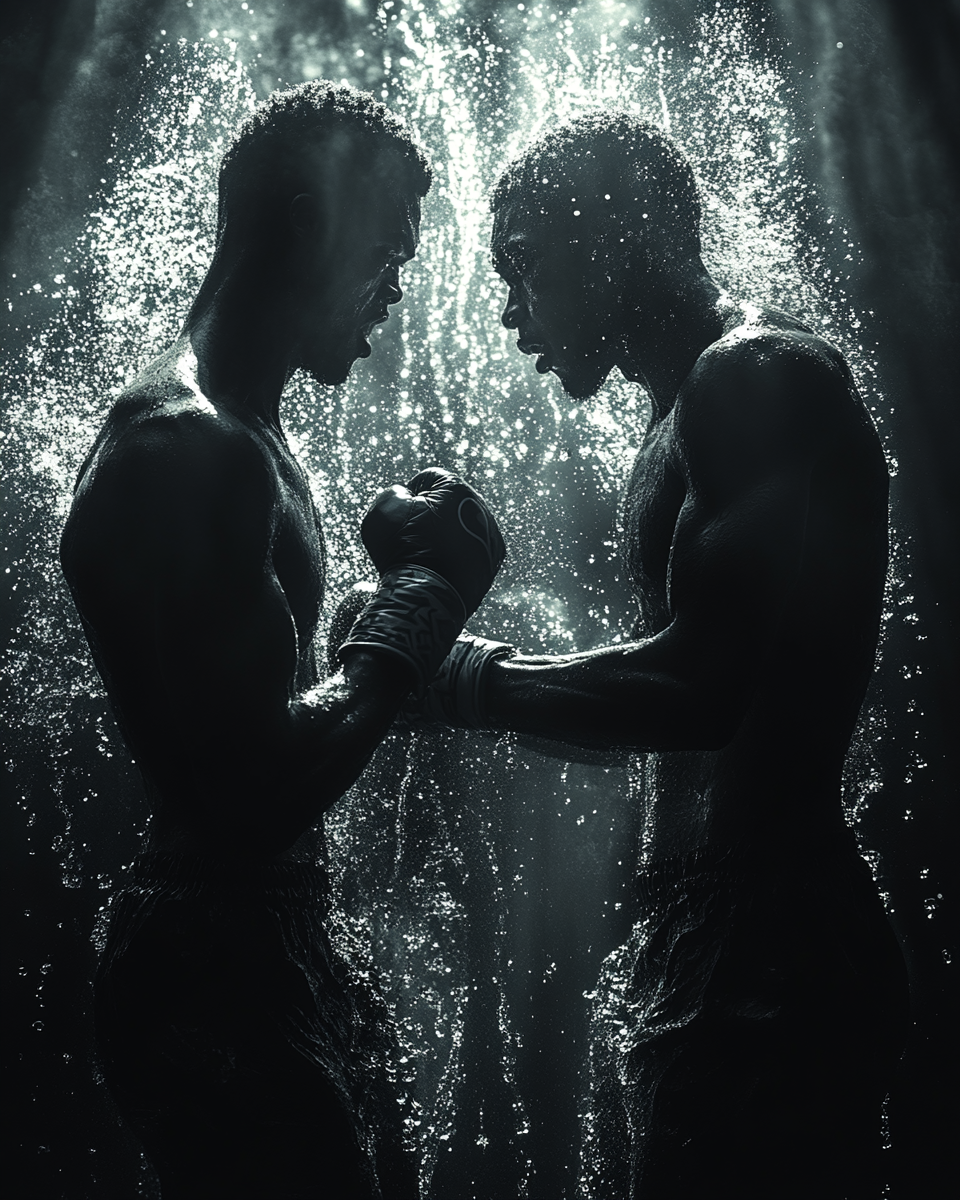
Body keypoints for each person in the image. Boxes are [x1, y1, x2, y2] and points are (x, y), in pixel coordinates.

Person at [409, 113, 910, 1198]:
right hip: (725, 927)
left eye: (523, 268)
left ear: (608, 239)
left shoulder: (753, 374)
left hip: (767, 934)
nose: (509, 312)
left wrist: (458, 677)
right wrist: (433, 673)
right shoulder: (689, 404)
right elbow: (659, 728)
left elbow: (700, 691)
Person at [59, 81, 504, 1200]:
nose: (393, 294)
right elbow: (249, 787)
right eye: (386, 254)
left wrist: (371, 625)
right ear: (305, 223)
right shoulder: (188, 448)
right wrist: (419, 606)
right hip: (212, 952)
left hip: (262, 934)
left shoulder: (247, 437)